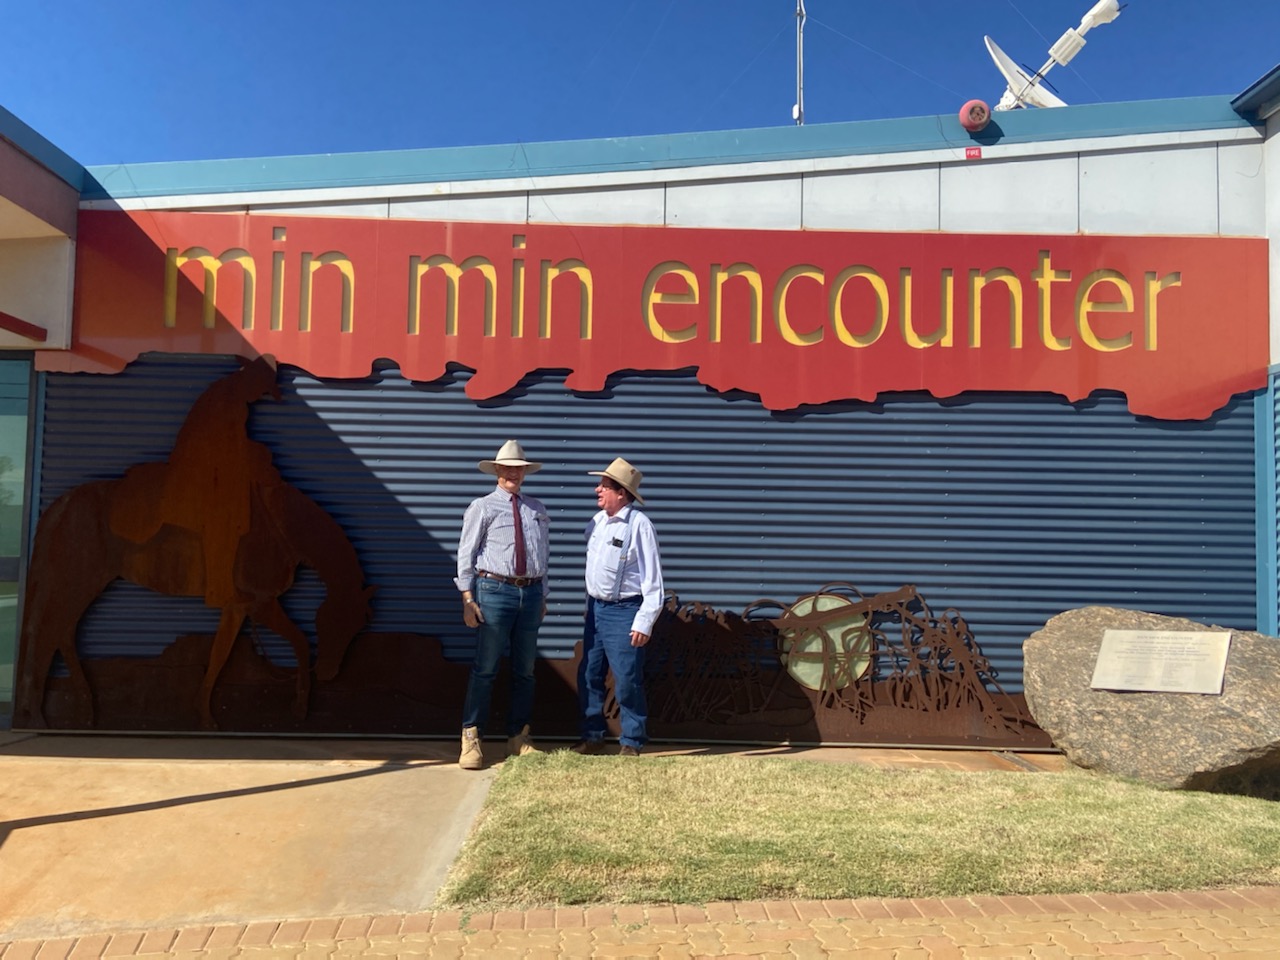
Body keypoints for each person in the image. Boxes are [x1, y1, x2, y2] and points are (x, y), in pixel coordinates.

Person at [455, 440, 550, 770]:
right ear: (497, 470)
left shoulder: (536, 508)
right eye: (508, 467)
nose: (514, 473)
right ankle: (471, 737)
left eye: (519, 468)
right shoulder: (482, 507)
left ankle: (518, 737)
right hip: (494, 591)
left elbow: (542, 556)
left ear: (524, 472)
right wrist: (468, 599)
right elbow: (466, 556)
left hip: (531, 593)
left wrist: (543, 595)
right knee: (485, 668)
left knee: (525, 670)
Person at [572, 457, 664, 757]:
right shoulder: (597, 523)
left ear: (621, 492)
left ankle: (632, 741)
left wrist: (644, 621)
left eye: (605, 486)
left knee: (626, 677)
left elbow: (653, 581)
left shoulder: (640, 526)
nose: (598, 489)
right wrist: (590, 605)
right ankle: (593, 736)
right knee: (589, 674)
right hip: (596, 611)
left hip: (625, 611)